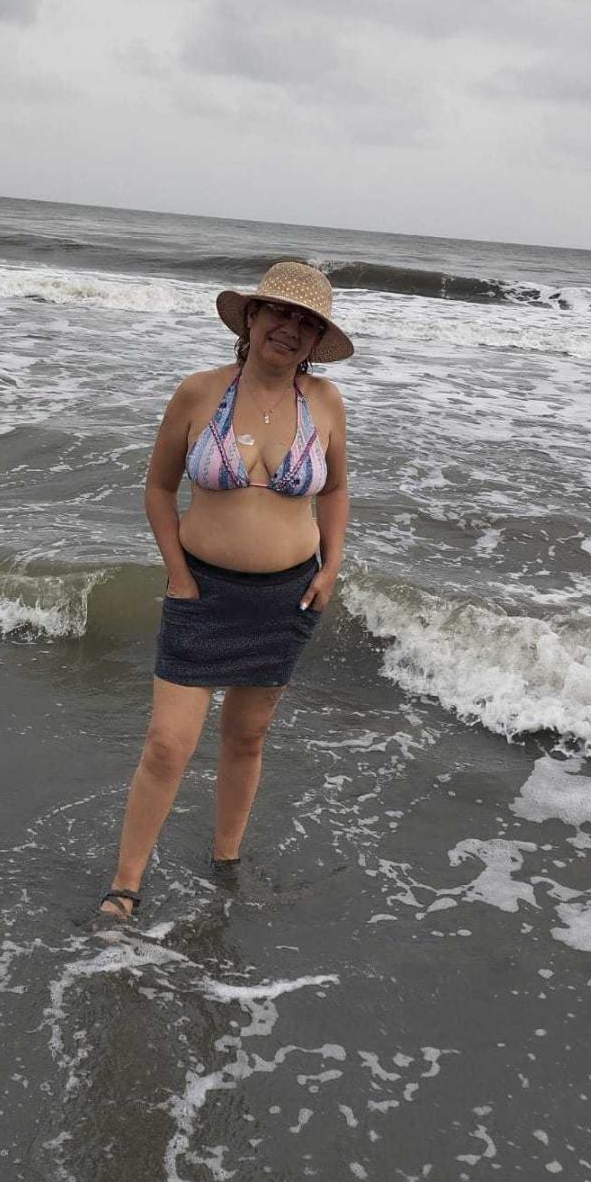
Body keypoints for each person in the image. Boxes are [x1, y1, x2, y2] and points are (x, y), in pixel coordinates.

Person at [98, 261, 353, 920]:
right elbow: (158, 487)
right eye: (279, 313)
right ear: (251, 317)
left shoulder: (324, 403)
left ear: (315, 339)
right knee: (167, 744)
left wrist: (330, 567)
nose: (289, 328)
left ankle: (225, 861)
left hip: (284, 600)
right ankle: (125, 886)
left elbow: (334, 490)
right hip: (202, 595)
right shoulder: (199, 392)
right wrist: (179, 574)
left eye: (306, 323)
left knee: (246, 738)